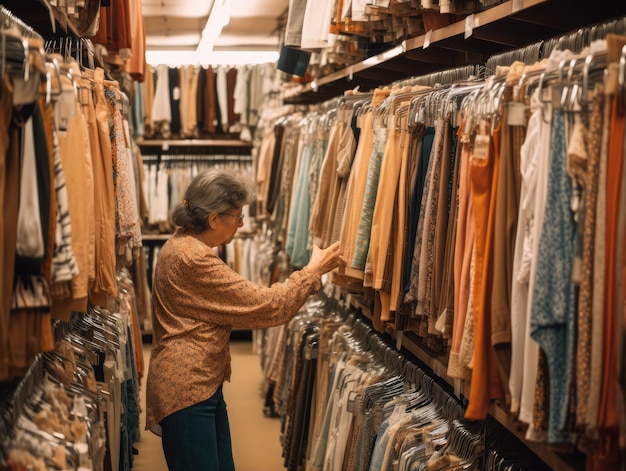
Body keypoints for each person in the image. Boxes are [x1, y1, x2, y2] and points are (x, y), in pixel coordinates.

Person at [144, 168, 344, 471]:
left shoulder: (181, 243)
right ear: (214, 219)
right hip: (187, 388)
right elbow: (266, 306)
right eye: (237, 217)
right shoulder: (194, 257)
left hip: (199, 383)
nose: (240, 225)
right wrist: (312, 272)